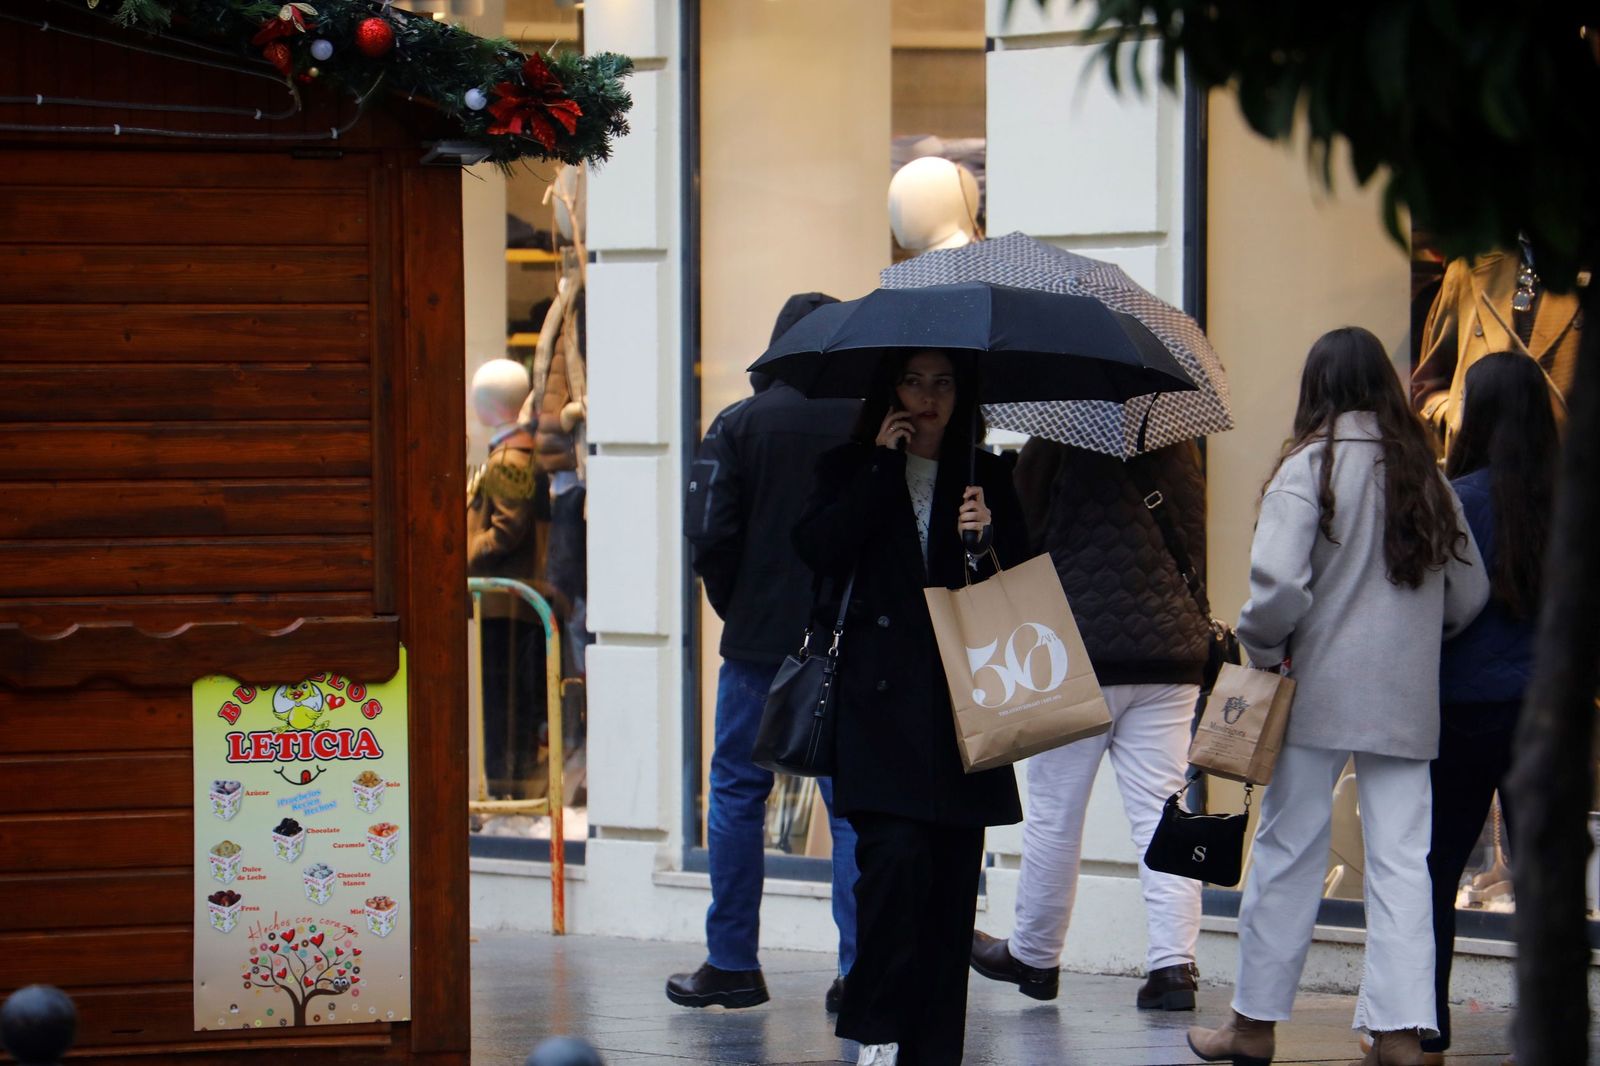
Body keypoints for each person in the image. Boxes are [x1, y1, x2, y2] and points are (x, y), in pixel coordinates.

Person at [1187, 327, 1489, 1066]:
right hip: (1404, 696)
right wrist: (1419, 638)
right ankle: (1396, 1033)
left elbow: (1277, 592)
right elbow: (1469, 593)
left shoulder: (1307, 468)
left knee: (1289, 849)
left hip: (1312, 690)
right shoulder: (1425, 474)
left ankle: (1254, 1025)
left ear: (1317, 385)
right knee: (1401, 862)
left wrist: (1263, 652)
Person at [793, 349, 1027, 1066]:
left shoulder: (988, 476)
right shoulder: (849, 464)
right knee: (892, 869)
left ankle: (934, 1052)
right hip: (877, 708)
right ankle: (878, 1029)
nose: (928, 398)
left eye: (944, 383)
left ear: (963, 393)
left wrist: (985, 540)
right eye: (913, 381)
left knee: (953, 889)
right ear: (888, 389)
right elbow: (819, 550)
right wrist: (878, 468)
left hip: (964, 709)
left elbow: (1020, 583)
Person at [666, 293, 861, 1013]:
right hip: (850, 641)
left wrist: (739, 604)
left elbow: (708, 534)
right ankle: (857, 971)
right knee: (851, 808)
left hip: (756, 645)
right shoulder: (871, 426)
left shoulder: (739, 425)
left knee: (739, 794)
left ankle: (733, 962)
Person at [970, 439, 1210, 1009]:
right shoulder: (1175, 442)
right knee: (1162, 809)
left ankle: (1035, 955)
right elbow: (1193, 543)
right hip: (1169, 652)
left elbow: (1021, 543)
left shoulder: (1056, 442)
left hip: (1072, 649)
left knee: (1056, 813)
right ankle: (1174, 966)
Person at [1422, 352, 1558, 1063]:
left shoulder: (1455, 499)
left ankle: (1429, 1023)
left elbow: (1431, 606)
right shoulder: (1573, 500)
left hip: (1465, 704)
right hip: (1549, 712)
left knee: (1437, 866)